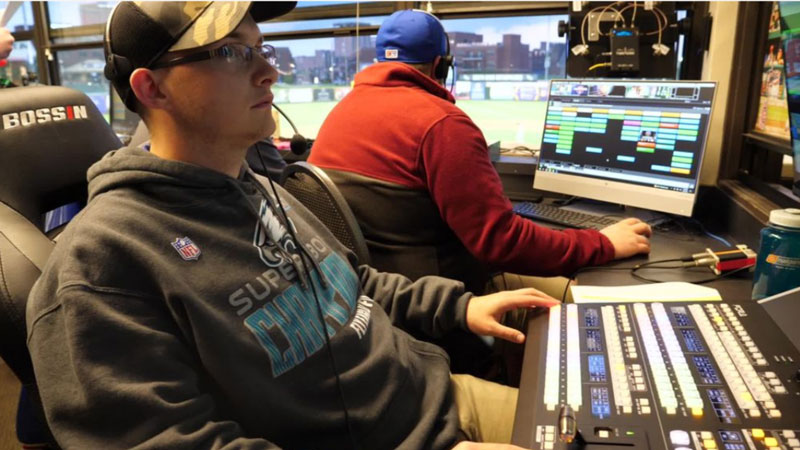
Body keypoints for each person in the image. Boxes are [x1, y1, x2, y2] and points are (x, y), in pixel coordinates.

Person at [26, 2, 558, 448]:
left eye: (263, 49)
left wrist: (459, 306)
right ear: (152, 89)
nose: (269, 72)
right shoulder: (100, 265)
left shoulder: (261, 188)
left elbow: (351, 284)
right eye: (232, 52)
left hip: (429, 395)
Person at [308, 10, 652, 295]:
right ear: (441, 66)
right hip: (445, 298)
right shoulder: (442, 124)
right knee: (584, 302)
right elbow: (501, 242)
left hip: (384, 293)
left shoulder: (343, 110)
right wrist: (602, 244)